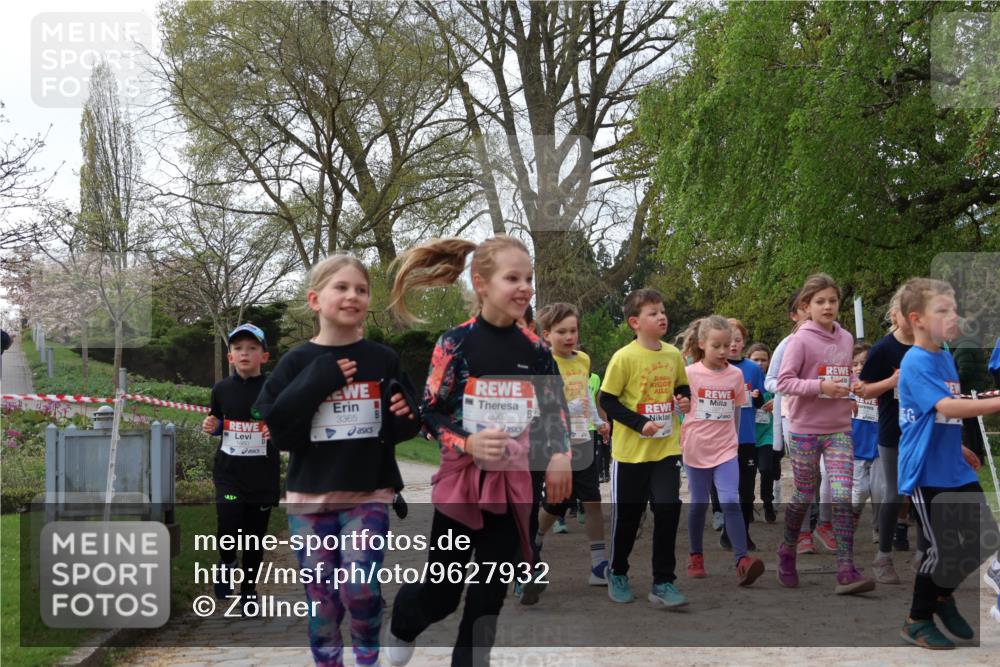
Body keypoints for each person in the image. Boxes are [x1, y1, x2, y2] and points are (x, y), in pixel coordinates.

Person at [385, 236, 572, 667]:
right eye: (513, 278)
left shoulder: (537, 351)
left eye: (529, 278)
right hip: (462, 486)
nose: (525, 287)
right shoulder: (456, 344)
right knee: (443, 594)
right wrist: (467, 442)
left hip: (512, 488)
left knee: (489, 596)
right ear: (482, 283)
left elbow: (554, 412)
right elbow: (428, 413)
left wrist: (560, 453)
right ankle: (404, 620)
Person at [253, 254, 420, 667]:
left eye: (361, 289)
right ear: (315, 299)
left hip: (369, 494)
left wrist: (405, 414)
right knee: (322, 599)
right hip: (309, 499)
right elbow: (273, 423)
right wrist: (319, 379)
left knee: (360, 587)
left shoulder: (383, 358)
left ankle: (368, 657)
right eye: (341, 288)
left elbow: (406, 422)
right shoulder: (296, 362)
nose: (353, 296)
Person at [894, 278, 1000, 649]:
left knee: (984, 540)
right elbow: (947, 406)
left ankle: (941, 596)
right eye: (943, 310)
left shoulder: (943, 357)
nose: (953, 316)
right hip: (926, 471)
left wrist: (958, 449)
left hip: (953, 467)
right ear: (917, 319)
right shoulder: (916, 360)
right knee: (943, 549)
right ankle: (918, 618)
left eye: (953, 308)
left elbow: (938, 418)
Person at [775, 273, 874, 595]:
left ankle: (846, 567)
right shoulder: (799, 340)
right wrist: (820, 387)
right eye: (820, 302)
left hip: (839, 428)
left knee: (843, 493)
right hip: (804, 429)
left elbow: (842, 374)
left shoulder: (845, 339)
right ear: (807, 306)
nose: (828, 306)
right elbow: (784, 382)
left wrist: (850, 392)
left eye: (832, 300)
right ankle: (787, 551)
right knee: (804, 494)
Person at [599, 288, 691, 608]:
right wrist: (639, 423)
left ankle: (663, 582)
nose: (662, 316)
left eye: (662, 310)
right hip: (630, 454)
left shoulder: (672, 355)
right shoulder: (624, 357)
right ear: (635, 322)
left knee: (667, 509)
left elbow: (681, 385)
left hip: (666, 449)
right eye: (653, 312)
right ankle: (618, 571)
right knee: (628, 516)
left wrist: (683, 398)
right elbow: (607, 400)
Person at [679, 315, 765, 585]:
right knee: (699, 504)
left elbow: (738, 411)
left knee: (730, 500)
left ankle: (741, 559)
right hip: (696, 448)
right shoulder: (690, 374)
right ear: (702, 344)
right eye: (716, 345)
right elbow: (679, 407)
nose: (722, 351)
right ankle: (696, 555)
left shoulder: (736, 375)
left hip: (727, 448)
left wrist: (735, 441)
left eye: (727, 346)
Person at [202, 323, 279, 612]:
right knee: (229, 521)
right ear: (230, 357)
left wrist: (278, 429)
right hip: (229, 474)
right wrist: (212, 425)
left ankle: (248, 590)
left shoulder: (273, 389)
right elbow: (217, 421)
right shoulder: (221, 389)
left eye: (252, 348)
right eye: (238, 349)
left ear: (264, 356)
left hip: (262, 477)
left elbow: (286, 422)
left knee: (255, 537)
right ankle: (227, 560)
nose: (244, 353)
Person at [533, 303, 611, 585]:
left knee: (592, 500)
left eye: (573, 330)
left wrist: (598, 421)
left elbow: (587, 395)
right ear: (546, 334)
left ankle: (599, 565)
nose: (569, 336)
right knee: (556, 503)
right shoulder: (540, 363)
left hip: (582, 437)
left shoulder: (583, 360)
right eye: (561, 331)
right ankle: (535, 542)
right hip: (553, 442)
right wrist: (568, 406)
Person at [855, 286, 913, 584]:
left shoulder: (934, 348)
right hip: (892, 429)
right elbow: (863, 389)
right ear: (895, 314)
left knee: (927, 490)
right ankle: (884, 556)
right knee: (894, 492)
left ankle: (928, 552)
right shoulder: (883, 349)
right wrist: (892, 381)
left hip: (926, 429)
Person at [720, 318, 764, 551]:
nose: (734, 345)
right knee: (728, 490)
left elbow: (761, 402)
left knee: (746, 491)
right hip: (720, 440)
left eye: (738, 340)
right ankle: (728, 528)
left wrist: (757, 397)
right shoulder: (715, 369)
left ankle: (741, 533)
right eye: (729, 341)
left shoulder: (753, 369)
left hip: (746, 437)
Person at [849, 342, 884, 547]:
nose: (859, 367)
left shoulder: (881, 387)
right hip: (857, 445)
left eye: (864, 362)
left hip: (880, 446)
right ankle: (853, 516)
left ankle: (879, 527)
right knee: (860, 490)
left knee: (880, 490)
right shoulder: (848, 388)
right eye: (855, 364)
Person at [747, 342, 779, 523]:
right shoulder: (743, 378)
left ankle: (768, 502)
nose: (759, 363)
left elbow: (787, 399)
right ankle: (748, 504)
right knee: (749, 473)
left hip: (768, 434)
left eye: (763, 360)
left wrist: (777, 402)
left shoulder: (772, 382)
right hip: (749, 434)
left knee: (766, 469)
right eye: (755, 359)